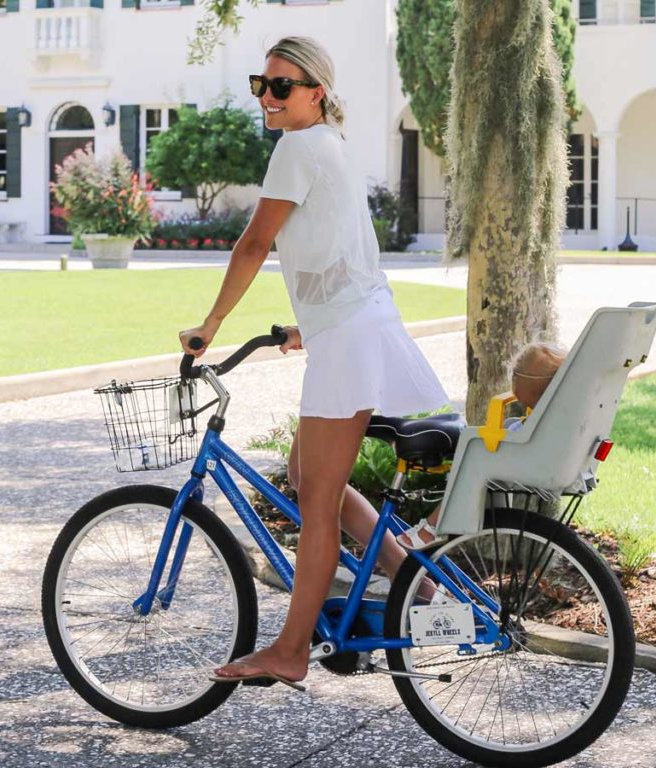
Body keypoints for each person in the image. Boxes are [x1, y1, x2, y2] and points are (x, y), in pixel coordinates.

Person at [178, 36, 449, 691]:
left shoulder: (298, 148)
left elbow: (253, 244)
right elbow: (342, 246)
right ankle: (407, 577)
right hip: (355, 325)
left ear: (315, 92)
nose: (267, 98)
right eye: (260, 85)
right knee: (303, 473)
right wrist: (312, 320)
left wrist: (209, 326)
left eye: (280, 86)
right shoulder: (332, 147)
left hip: (351, 337)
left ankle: (291, 650)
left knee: (318, 502)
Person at [396, 340, 569, 551]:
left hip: (527, 458)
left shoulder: (540, 421)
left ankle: (433, 526)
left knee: (473, 451)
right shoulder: (562, 411)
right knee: (492, 440)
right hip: (544, 457)